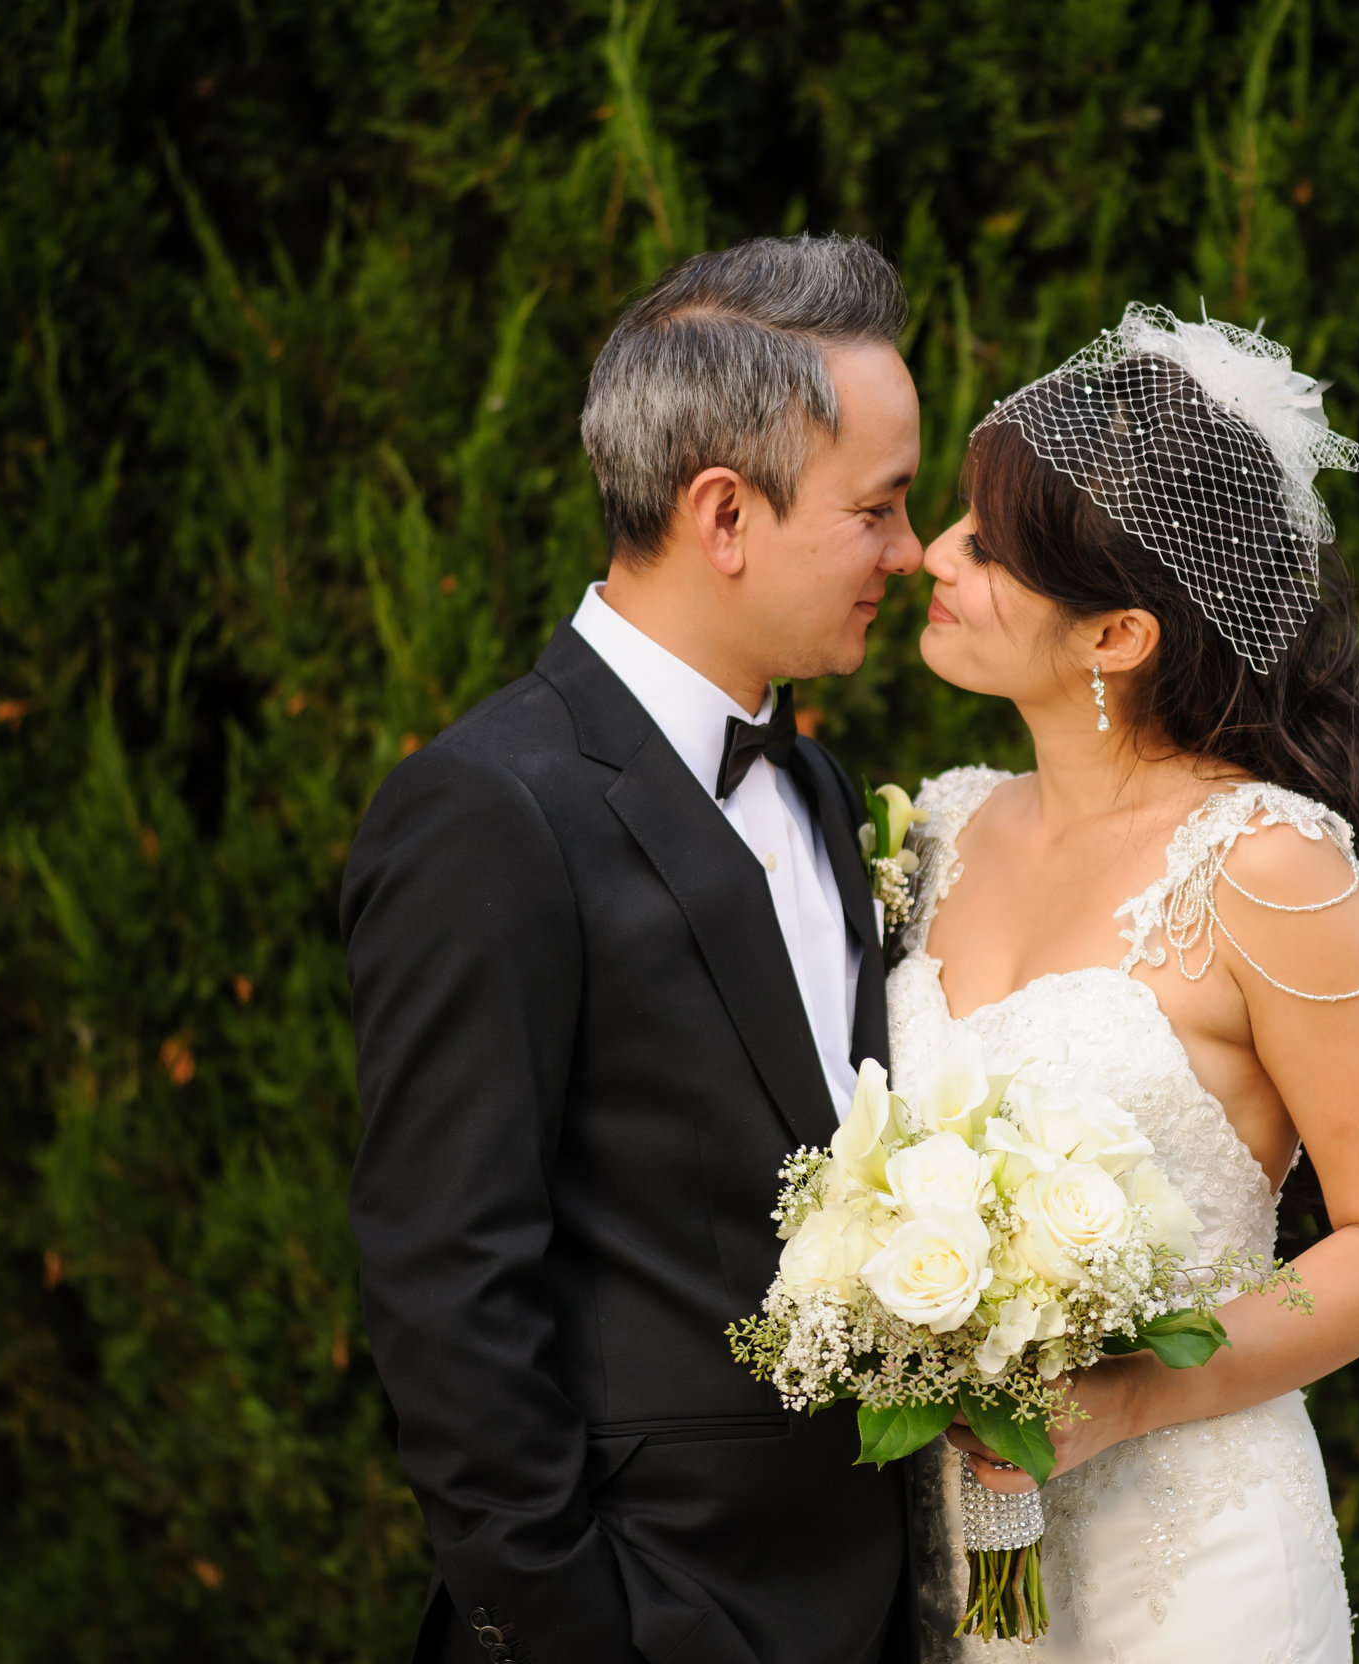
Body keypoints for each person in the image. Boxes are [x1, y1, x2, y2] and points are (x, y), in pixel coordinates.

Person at [341, 234, 926, 1664]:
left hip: (873, 1610)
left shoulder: (821, 785)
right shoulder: (488, 810)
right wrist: (575, 1626)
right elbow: (447, 1284)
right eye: (882, 509)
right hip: (649, 1614)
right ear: (725, 514)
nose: (911, 554)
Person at [892, 305, 1359, 1661]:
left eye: (984, 549)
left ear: (1116, 638)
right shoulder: (937, 833)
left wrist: (1134, 1397)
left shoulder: (1269, 872)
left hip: (1193, 1560)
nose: (931, 555)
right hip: (956, 1559)